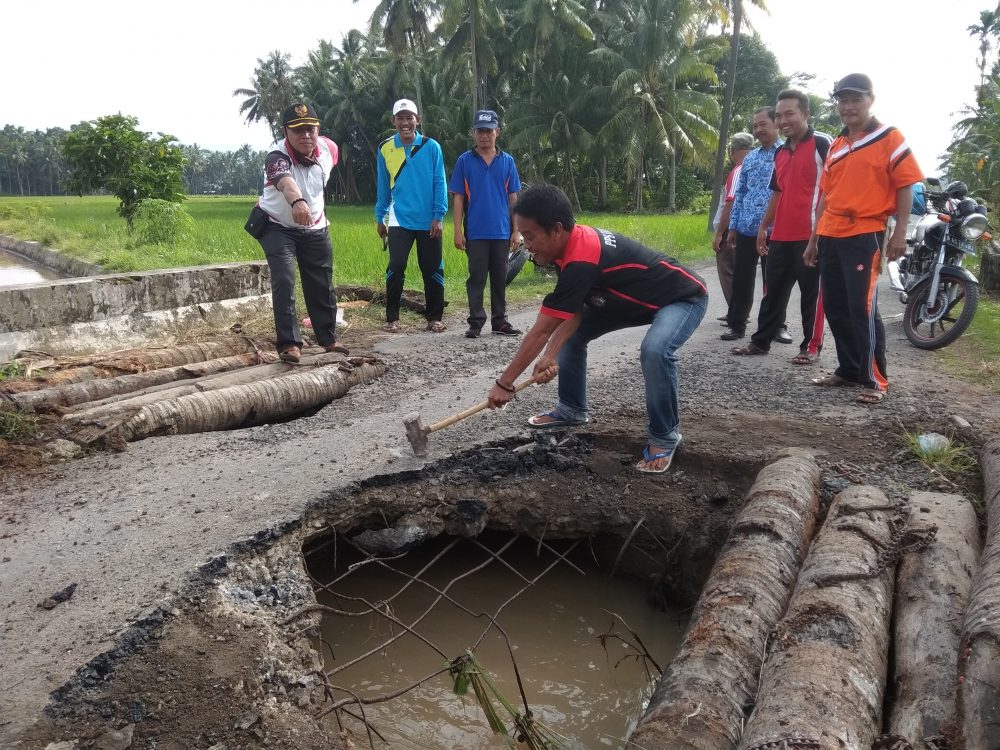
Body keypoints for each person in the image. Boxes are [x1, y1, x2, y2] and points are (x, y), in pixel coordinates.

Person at [486, 185, 708, 474]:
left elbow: (541, 330)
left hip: (681, 297)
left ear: (555, 229)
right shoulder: (567, 246)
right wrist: (551, 355)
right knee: (574, 336)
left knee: (655, 350)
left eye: (530, 236)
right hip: (629, 301)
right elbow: (573, 308)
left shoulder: (582, 257)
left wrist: (504, 384)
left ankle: (665, 436)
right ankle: (571, 409)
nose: (526, 244)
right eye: (523, 235)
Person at [804, 73, 923, 404]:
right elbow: (826, 197)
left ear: (871, 100)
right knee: (837, 307)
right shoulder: (838, 145)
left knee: (862, 307)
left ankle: (875, 379)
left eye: (855, 99)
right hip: (830, 233)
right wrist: (814, 239)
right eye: (842, 100)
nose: (848, 106)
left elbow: (905, 185)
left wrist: (899, 233)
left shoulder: (889, 137)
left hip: (865, 233)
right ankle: (848, 369)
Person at [732, 89, 831, 363]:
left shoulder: (823, 144)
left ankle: (810, 347)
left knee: (812, 295)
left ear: (805, 114)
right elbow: (777, 192)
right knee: (772, 291)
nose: (783, 120)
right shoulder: (781, 152)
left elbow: (833, 189)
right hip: (781, 235)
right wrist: (764, 227)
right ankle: (760, 342)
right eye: (779, 115)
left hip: (812, 234)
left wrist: (818, 235)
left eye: (789, 113)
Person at [252, 102, 346, 363]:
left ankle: (328, 339)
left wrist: (309, 207)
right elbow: (286, 182)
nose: (305, 136)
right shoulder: (276, 158)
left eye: (310, 129)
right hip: (278, 225)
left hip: (315, 225)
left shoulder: (329, 149)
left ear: (318, 130)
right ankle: (290, 344)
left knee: (322, 281)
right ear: (285, 132)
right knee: (284, 278)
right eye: (298, 130)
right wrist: (298, 201)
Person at [375, 98, 448, 333]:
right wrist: (380, 217)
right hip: (399, 218)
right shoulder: (385, 148)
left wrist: (439, 215)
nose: (405, 122)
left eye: (410, 117)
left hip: (429, 220)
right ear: (393, 121)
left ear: (418, 120)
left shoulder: (431, 147)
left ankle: (434, 317)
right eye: (400, 118)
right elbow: (383, 187)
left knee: (432, 267)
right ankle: (392, 318)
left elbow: (440, 182)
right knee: (396, 266)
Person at [449, 109, 523, 338]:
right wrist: (458, 231)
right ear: (474, 133)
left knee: (500, 278)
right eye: (480, 131)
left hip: (502, 231)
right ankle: (476, 322)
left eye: (489, 131)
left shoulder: (507, 161)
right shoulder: (465, 161)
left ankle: (500, 321)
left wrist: (516, 231)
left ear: (497, 132)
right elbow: (459, 197)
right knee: (477, 277)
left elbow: (513, 198)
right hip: (476, 231)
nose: (484, 135)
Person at [722, 107, 792, 345]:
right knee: (742, 278)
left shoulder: (786, 153)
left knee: (774, 281)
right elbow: (740, 194)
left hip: (776, 230)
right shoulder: (750, 158)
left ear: (776, 123)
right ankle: (736, 324)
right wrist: (732, 228)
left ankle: (777, 326)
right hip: (746, 228)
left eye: (763, 124)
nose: (758, 130)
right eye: (755, 126)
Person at [712, 132, 753, 315]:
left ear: (732, 151)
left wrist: (720, 233)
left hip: (732, 228)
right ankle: (739, 310)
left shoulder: (738, 170)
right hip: (748, 228)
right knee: (741, 270)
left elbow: (730, 203)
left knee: (727, 269)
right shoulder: (755, 167)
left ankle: (736, 311)